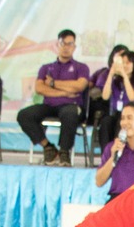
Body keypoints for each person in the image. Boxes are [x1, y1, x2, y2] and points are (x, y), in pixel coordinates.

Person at [18, 28, 92, 166]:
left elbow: (79, 87)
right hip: (50, 106)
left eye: (70, 44)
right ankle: (48, 147)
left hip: (72, 106)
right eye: (63, 43)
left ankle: (64, 152)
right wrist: (65, 92)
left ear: (74, 47)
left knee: (69, 112)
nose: (66, 47)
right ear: (57, 45)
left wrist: (53, 83)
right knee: (24, 115)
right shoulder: (46, 68)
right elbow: (40, 88)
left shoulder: (81, 68)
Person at [94, 47, 134, 148]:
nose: (125, 66)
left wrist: (125, 76)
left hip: (131, 116)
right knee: (106, 122)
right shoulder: (116, 81)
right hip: (116, 114)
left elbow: (132, 97)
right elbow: (105, 96)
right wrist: (111, 74)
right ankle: (106, 154)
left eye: (128, 63)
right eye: (123, 63)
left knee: (121, 124)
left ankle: (119, 154)